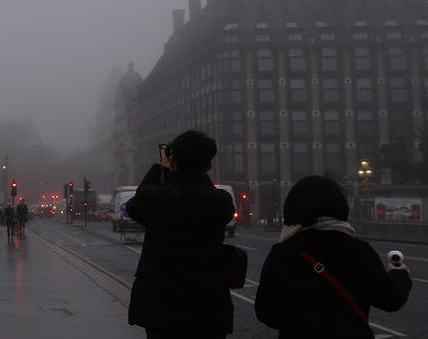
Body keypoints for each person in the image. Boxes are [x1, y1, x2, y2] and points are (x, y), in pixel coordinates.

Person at [255, 175, 412, 338]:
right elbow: (391, 299)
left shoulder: (282, 253)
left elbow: (267, 313)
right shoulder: (359, 251)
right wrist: (399, 274)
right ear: (340, 207)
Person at [125, 130, 235, 339]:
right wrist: (197, 170)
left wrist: (163, 169)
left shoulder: (156, 198)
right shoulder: (220, 201)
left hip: (163, 305)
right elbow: (204, 190)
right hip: (208, 304)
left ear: (173, 161)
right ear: (208, 166)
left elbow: (135, 206)